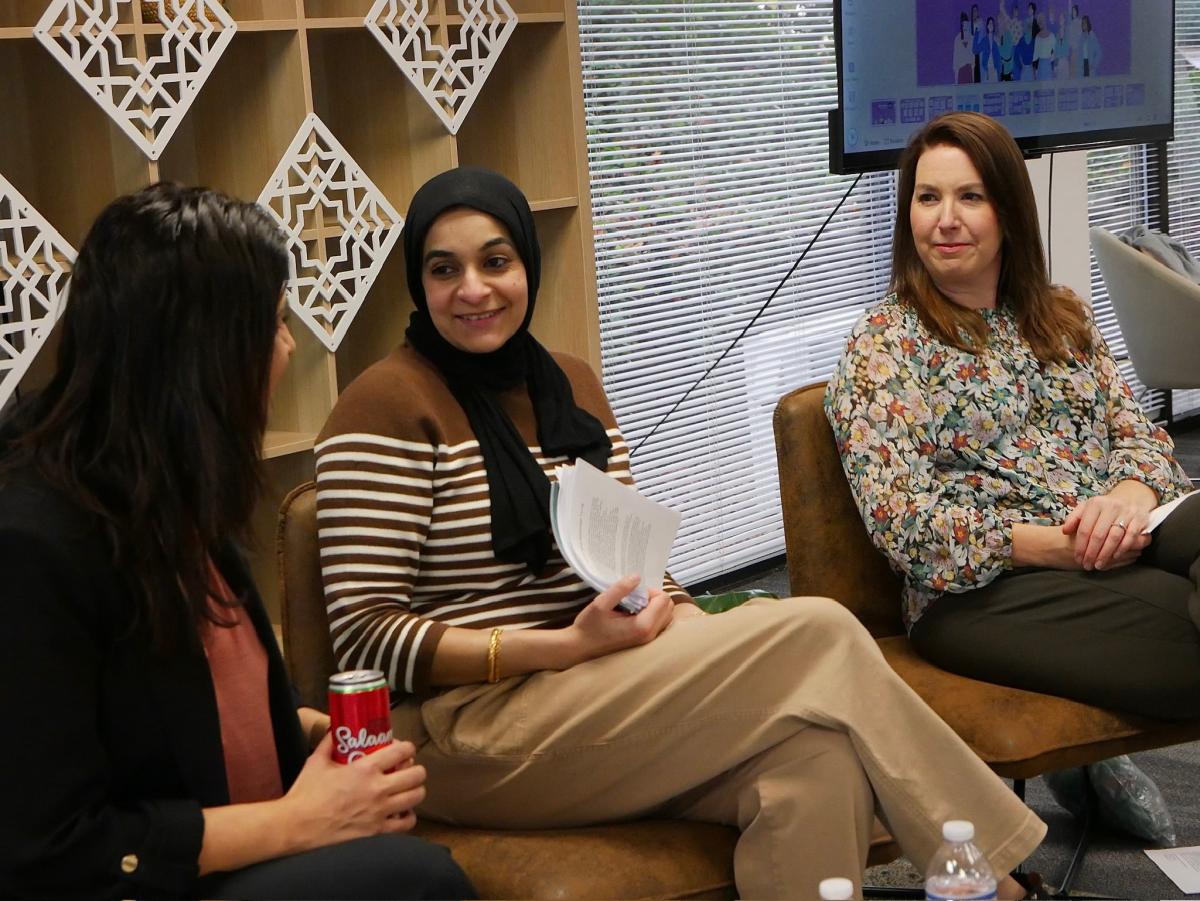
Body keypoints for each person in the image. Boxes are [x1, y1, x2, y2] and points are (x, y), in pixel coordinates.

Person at [314, 165, 1047, 899]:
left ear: (527, 267)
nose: (474, 289)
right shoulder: (383, 404)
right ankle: (997, 883)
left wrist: (680, 617)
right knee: (821, 631)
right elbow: (363, 636)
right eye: (445, 270)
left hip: (594, 688)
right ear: (419, 282)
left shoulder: (567, 384)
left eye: (495, 261)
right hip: (463, 727)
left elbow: (623, 557)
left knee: (815, 758)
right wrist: (566, 646)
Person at [0, 184, 476, 901]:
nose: (289, 347)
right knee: (421, 881)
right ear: (204, 355)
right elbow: (51, 850)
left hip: (239, 852)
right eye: (276, 324)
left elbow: (212, 707)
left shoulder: (173, 484)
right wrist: (297, 821)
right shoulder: (31, 545)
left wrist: (319, 737)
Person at [825, 112, 1200, 722]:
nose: (945, 219)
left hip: (1119, 533)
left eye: (970, 197)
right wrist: (1056, 547)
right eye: (928, 197)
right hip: (985, 588)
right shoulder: (884, 344)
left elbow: (1141, 438)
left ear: (1010, 211)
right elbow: (905, 525)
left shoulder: (1061, 315)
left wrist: (1127, 499)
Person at [954, 11, 975, 84]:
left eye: (966, 24)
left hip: (970, 70)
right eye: (963, 24)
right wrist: (956, 79)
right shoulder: (957, 39)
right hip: (961, 71)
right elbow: (955, 59)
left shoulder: (972, 38)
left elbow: (973, 57)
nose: (965, 26)